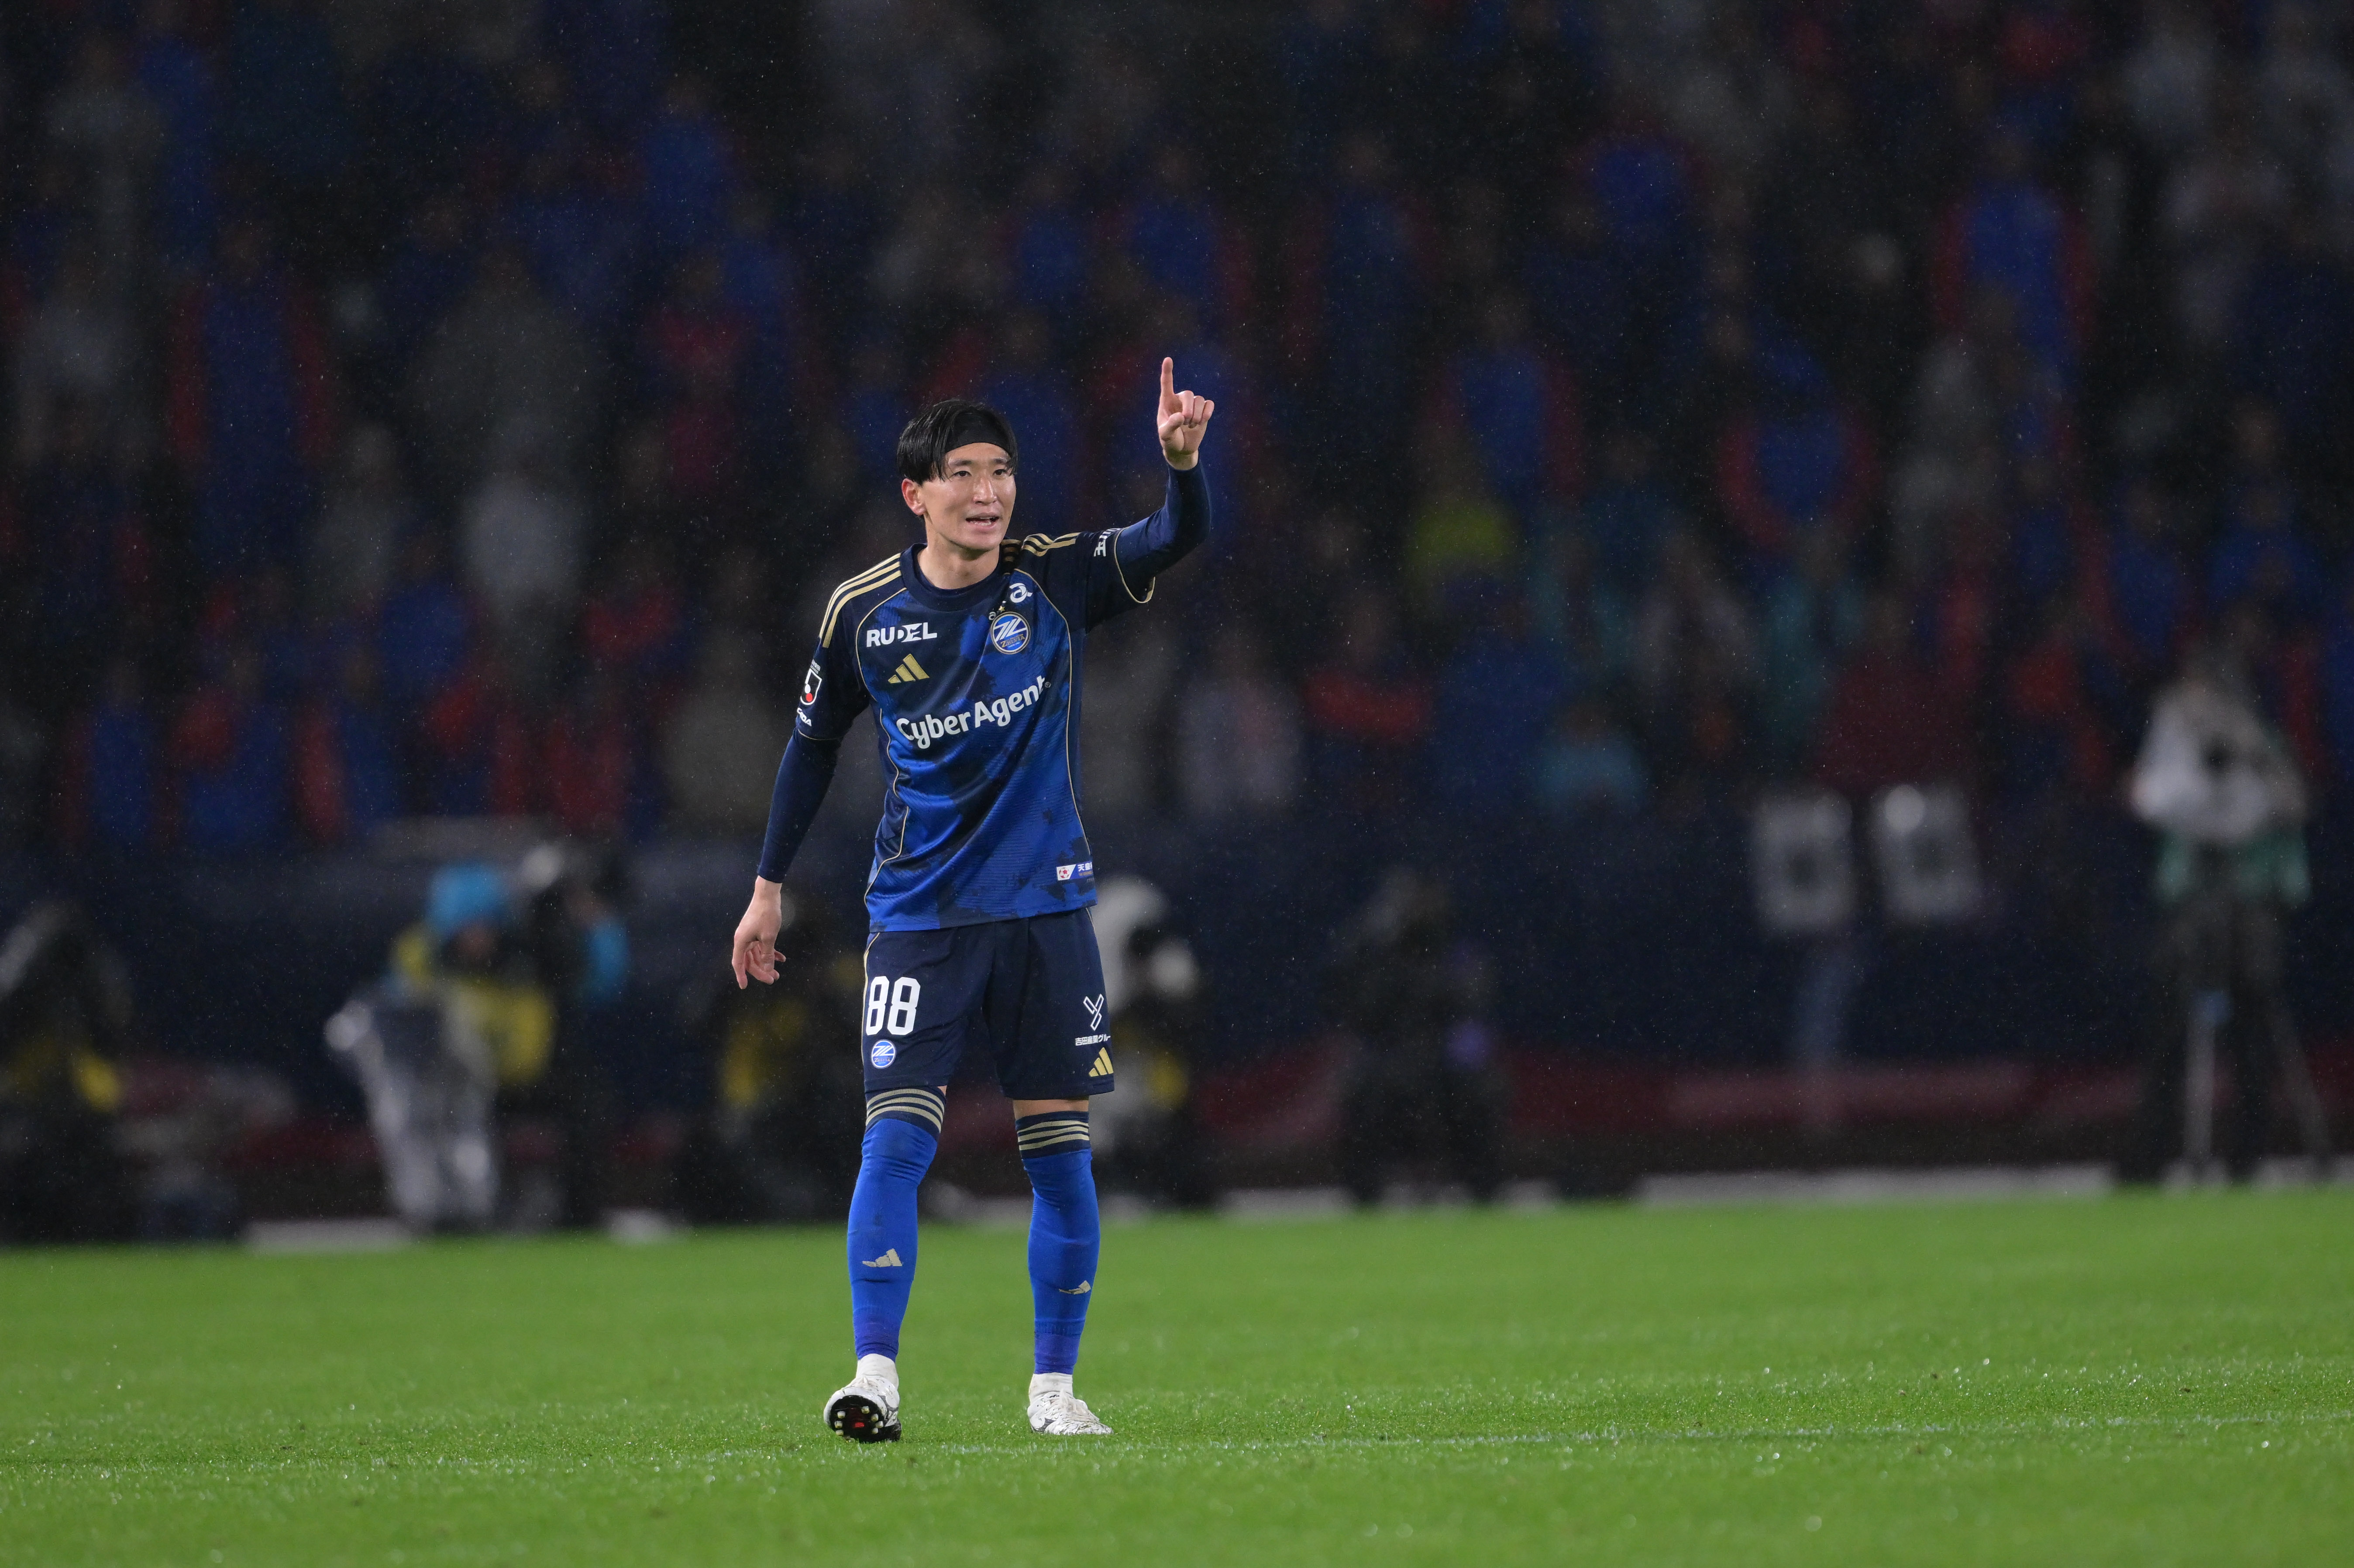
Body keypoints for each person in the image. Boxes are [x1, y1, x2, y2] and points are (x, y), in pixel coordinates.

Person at [730, 361, 1215, 1441]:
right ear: (917, 493)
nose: (988, 491)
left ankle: (1054, 1390)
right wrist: (766, 889)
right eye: (963, 473)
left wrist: (1181, 466)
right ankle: (873, 1375)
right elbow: (809, 749)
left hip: (1046, 914)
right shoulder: (863, 612)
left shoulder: (1052, 577)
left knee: (1060, 1154)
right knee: (894, 1146)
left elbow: (1172, 537)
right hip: (918, 918)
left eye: (1000, 471)